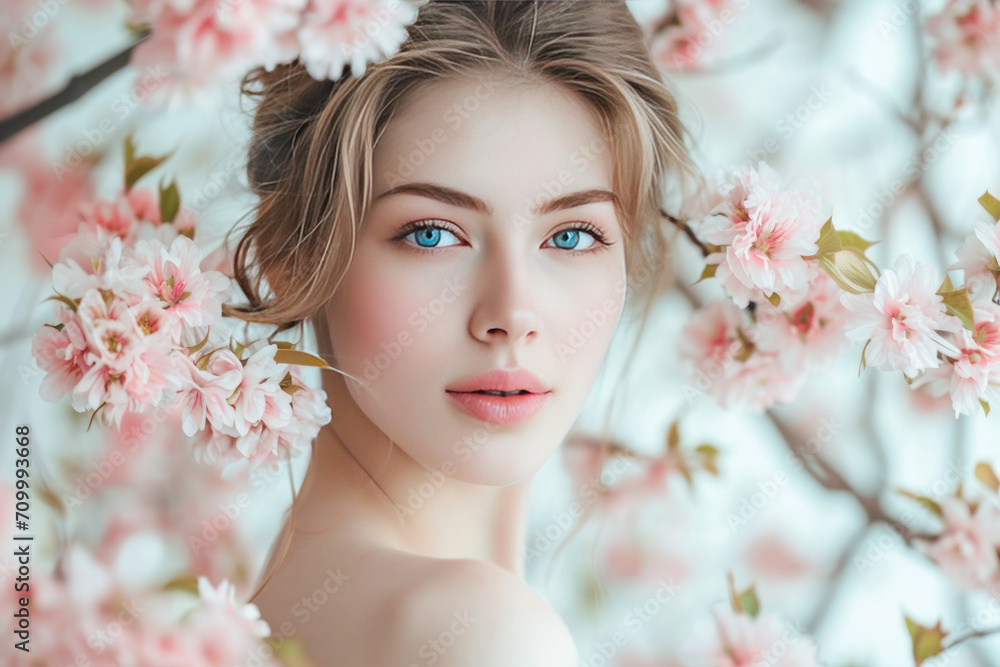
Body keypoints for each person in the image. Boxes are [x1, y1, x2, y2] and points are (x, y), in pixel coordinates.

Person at [225, 1, 694, 663]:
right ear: (292, 255)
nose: (511, 312)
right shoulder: (479, 632)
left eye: (570, 235)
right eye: (431, 233)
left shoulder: (288, 599)